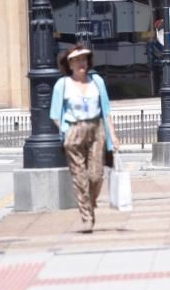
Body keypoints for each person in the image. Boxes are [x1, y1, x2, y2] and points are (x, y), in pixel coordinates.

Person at [50, 44, 120, 233]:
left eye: (84, 59)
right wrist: (66, 131)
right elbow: (55, 114)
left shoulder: (96, 81)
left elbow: (106, 111)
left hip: (96, 128)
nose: (81, 63)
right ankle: (87, 216)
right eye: (77, 59)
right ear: (69, 63)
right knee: (80, 177)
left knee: (96, 175)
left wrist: (112, 135)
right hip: (74, 129)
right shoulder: (62, 85)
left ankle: (91, 202)